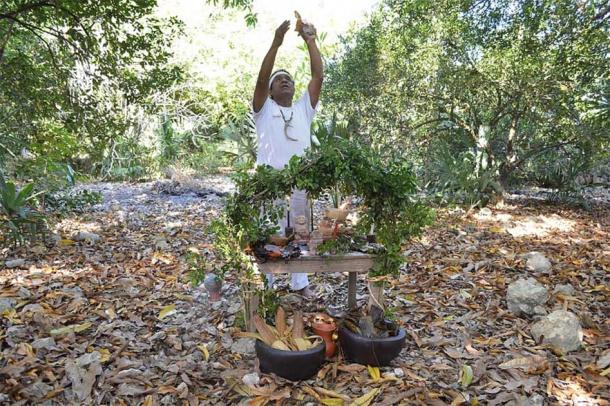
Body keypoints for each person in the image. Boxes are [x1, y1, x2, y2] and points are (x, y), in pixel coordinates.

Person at [252, 18, 323, 298]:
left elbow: (317, 76)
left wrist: (310, 41)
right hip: (270, 182)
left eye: (289, 79)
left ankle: (300, 284)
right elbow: (260, 78)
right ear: (270, 91)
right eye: (278, 79)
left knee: (300, 233)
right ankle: (269, 285)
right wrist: (276, 43)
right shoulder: (263, 109)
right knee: (270, 233)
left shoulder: (304, 109)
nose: (285, 81)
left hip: (300, 182)